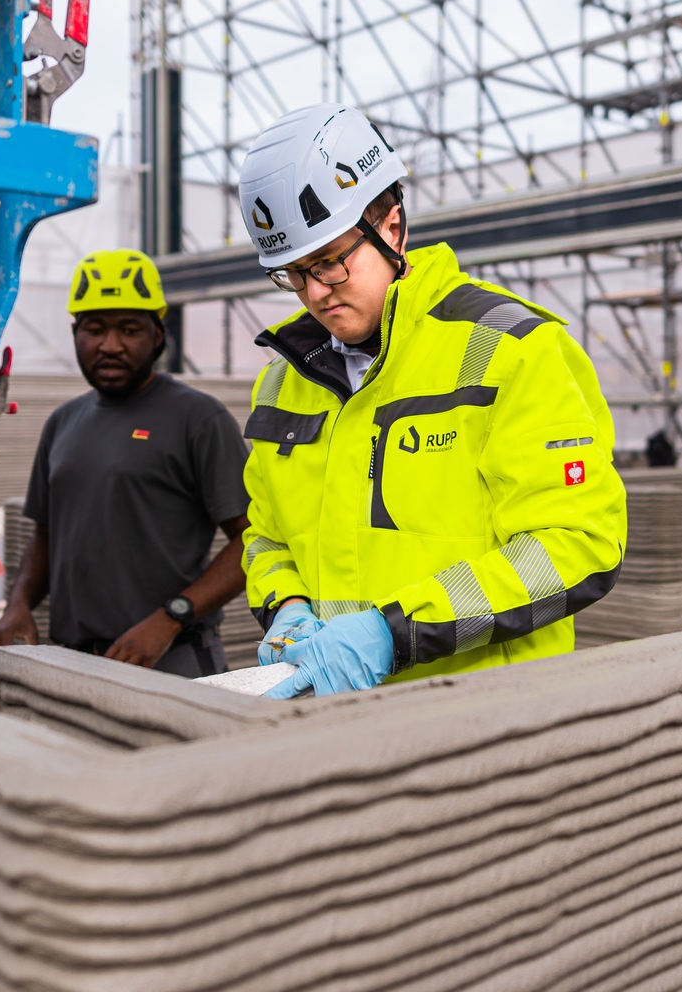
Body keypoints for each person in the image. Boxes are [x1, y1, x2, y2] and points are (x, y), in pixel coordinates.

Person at [237, 105, 628, 699]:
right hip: (331, 727)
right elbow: (266, 538)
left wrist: (395, 632)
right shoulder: (281, 383)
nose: (315, 292)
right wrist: (286, 605)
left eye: (331, 262)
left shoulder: (512, 349)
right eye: (293, 274)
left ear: (392, 227)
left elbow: (575, 542)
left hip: (485, 727)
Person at [0, 249, 251, 678]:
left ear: (158, 335)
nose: (110, 345)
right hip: (72, 660)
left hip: (172, 657)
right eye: (95, 329)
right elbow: (46, 537)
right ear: (75, 334)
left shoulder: (199, 419)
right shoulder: (63, 422)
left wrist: (171, 617)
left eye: (129, 329)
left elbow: (253, 541)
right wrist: (17, 607)